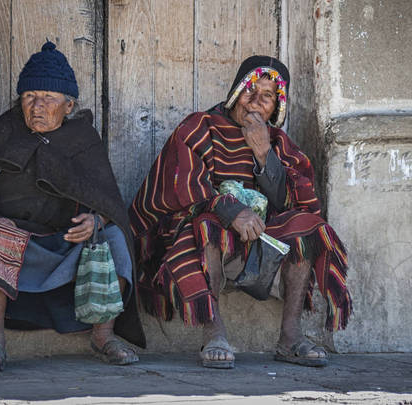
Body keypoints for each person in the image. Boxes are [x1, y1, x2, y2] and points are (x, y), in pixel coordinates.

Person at [129, 56, 351, 369]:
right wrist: (231, 211)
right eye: (250, 90)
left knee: (307, 227)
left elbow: (299, 202)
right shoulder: (199, 127)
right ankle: (214, 332)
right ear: (235, 92)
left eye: (268, 96)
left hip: (261, 245)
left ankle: (290, 337)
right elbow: (184, 190)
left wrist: (264, 155)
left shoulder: (277, 142)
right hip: (209, 239)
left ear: (277, 107)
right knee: (208, 225)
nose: (256, 102)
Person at [0, 41, 145, 371]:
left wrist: (95, 221)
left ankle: (104, 334)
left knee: (114, 238)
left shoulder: (83, 139)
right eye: (29, 97)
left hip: (65, 243)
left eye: (48, 99)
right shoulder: (7, 130)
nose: (37, 106)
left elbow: (106, 199)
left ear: (68, 105)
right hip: (15, 240)